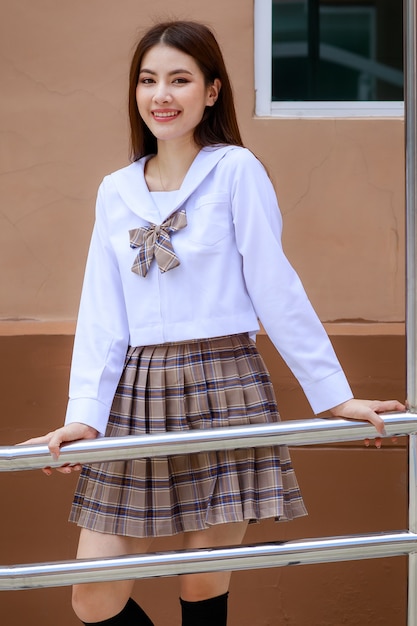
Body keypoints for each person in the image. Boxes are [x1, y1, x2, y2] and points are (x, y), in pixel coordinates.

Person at [23, 20, 404, 626]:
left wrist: (335, 398)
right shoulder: (114, 190)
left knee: (201, 584)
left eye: (180, 79)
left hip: (224, 381)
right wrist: (83, 417)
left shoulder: (235, 171)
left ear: (212, 92)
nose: (161, 96)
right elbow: (103, 309)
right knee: (92, 594)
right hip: (136, 393)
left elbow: (276, 288)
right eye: (148, 81)